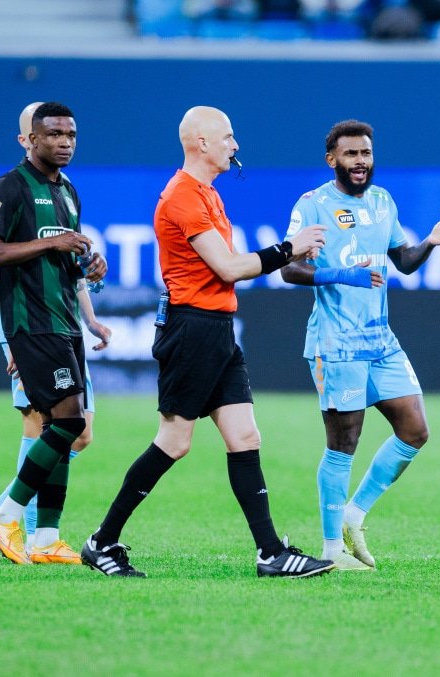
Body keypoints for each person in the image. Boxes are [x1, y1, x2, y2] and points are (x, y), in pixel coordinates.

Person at [80, 106, 334, 579]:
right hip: (191, 331)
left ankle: (270, 553)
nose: (235, 145)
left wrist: (286, 251)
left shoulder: (208, 194)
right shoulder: (182, 196)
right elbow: (229, 268)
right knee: (174, 442)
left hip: (217, 329)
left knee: (245, 437)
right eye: (228, 137)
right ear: (201, 142)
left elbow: (231, 266)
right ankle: (101, 542)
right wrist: (289, 249)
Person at [280, 119, 440, 570]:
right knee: (344, 441)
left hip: (381, 340)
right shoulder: (313, 205)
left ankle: (354, 513)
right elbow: (288, 268)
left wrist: (430, 242)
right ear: (332, 159)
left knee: (415, 430)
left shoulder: (383, 201)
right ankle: (331, 550)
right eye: (351, 154)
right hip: (336, 342)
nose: (360, 161)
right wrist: (343, 274)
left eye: (365, 153)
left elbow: (403, 261)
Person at [0, 102, 112, 557]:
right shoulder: (11, 186)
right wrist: (52, 243)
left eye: (70, 135)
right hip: (31, 321)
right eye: (53, 134)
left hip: (64, 320)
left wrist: (89, 265)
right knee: (67, 421)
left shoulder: (68, 191)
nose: (64, 143)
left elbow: (66, 259)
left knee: (65, 426)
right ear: (31, 140)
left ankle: (46, 538)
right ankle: (4, 514)